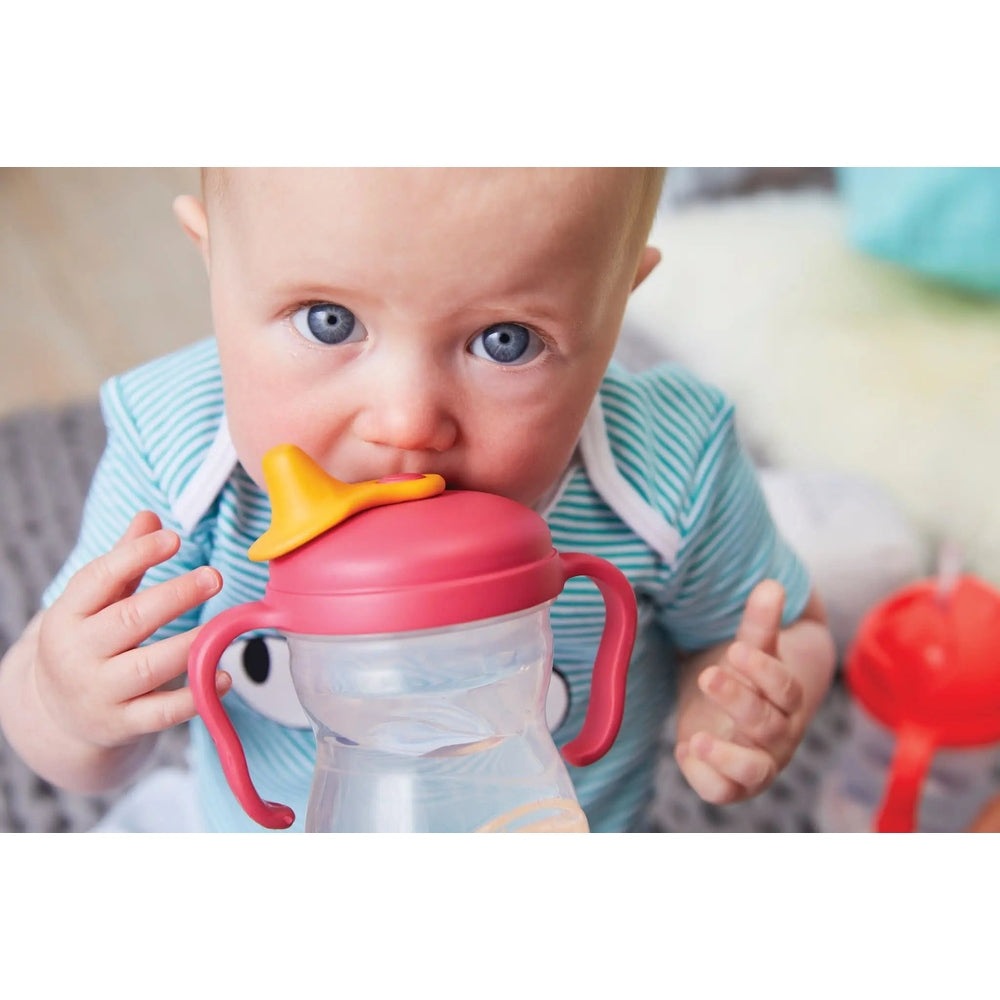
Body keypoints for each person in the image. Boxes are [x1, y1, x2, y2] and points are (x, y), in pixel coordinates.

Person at [0, 168, 836, 832]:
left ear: (615, 306)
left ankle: (821, 522)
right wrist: (69, 706)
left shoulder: (666, 468)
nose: (407, 422)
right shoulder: (179, 464)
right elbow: (63, 736)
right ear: (214, 261)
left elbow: (778, 627)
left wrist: (736, 703)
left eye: (504, 341)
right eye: (328, 321)